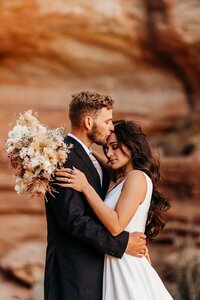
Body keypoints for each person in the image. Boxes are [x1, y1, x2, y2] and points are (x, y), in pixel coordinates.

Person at [44, 91, 147, 300]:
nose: (111, 127)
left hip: (100, 269)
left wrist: (140, 239)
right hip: (74, 273)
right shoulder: (62, 157)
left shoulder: (93, 159)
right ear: (89, 122)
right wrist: (123, 243)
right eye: (107, 121)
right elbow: (73, 220)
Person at [56, 120, 174, 299]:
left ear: (132, 145)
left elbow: (117, 225)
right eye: (106, 149)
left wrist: (85, 187)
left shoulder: (136, 177)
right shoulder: (121, 178)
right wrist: (78, 148)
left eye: (115, 147)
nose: (109, 153)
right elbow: (93, 158)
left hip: (126, 265)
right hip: (115, 261)